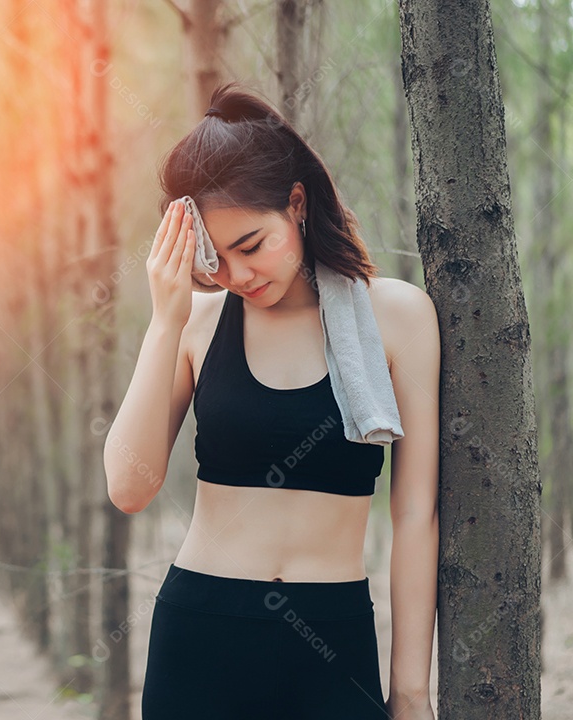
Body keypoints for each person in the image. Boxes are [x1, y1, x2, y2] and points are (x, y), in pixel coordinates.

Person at [103, 81, 439, 720]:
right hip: (202, 636)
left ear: (296, 204)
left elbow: (416, 512)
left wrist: (412, 692)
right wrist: (165, 320)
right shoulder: (198, 325)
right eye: (217, 258)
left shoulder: (397, 318)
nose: (238, 276)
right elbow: (127, 487)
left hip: (334, 643)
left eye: (252, 245)